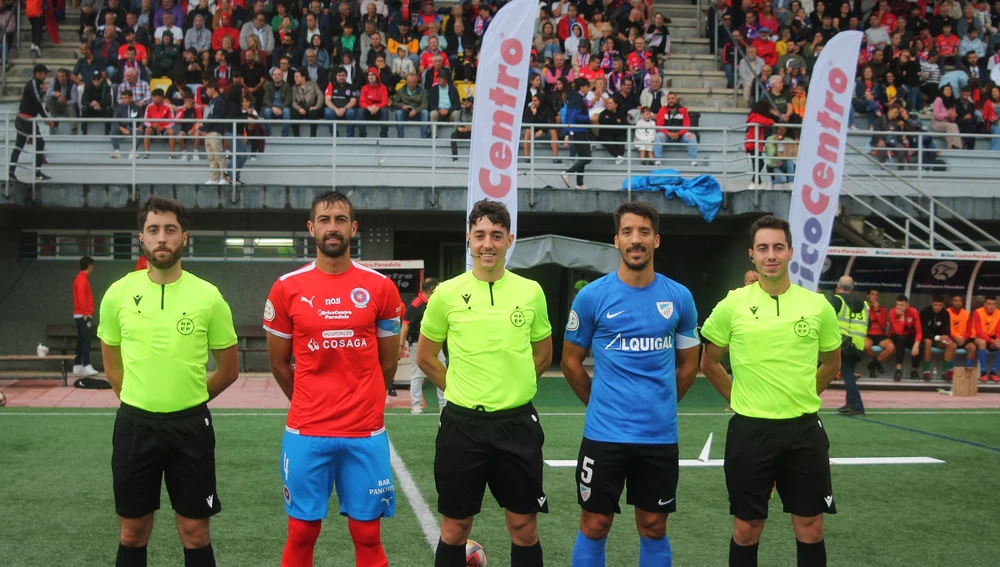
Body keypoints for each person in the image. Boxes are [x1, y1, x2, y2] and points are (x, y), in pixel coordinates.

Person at [97, 196, 239, 567]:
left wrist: (188, 399)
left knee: (196, 533)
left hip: (190, 427)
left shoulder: (208, 296)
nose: (162, 237)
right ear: (141, 238)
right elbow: (111, 365)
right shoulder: (117, 294)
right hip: (134, 426)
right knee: (132, 532)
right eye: (154, 230)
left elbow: (228, 369)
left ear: (184, 238)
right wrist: (139, 397)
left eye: (170, 230)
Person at [263, 190, 402, 567]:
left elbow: (387, 363)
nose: (333, 227)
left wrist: (365, 399)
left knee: (368, 535)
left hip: (364, 431)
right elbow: (278, 363)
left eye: (340, 219)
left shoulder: (380, 288)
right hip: (307, 431)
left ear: (353, 228)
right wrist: (309, 400)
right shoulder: (287, 287)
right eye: (324, 220)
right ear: (311, 229)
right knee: (302, 533)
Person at [561, 201, 699, 566]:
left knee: (653, 526)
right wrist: (600, 404)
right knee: (595, 523)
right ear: (616, 241)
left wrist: (663, 403)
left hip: (659, 437)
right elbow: (570, 363)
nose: (635, 240)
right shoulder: (592, 297)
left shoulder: (680, 297)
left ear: (656, 240)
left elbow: (688, 365)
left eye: (643, 232)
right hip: (604, 435)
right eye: (627, 232)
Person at [416, 199, 552, 567]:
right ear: (468, 240)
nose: (487, 244)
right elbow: (426, 357)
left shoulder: (530, 291)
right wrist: (461, 388)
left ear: (510, 239)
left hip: (517, 425)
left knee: (523, 525)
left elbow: (543, 354)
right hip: (463, 426)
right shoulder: (445, 294)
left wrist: (514, 385)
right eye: (479, 235)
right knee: (455, 528)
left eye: (495, 235)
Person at [699, 215, 841, 567]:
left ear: (791, 251)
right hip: (751, 431)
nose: (771, 255)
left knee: (810, 525)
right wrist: (739, 399)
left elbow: (832, 363)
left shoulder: (817, 306)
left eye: (778, 247)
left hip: (804, 430)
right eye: (763, 248)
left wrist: (804, 394)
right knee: (748, 526)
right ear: (752, 255)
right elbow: (710, 363)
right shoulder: (732, 305)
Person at [400, 277, 446, 414]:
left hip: (435, 342)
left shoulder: (435, 302)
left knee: (442, 372)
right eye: (437, 286)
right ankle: (415, 405)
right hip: (418, 343)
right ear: (432, 289)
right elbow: (405, 325)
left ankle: (444, 405)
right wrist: (401, 345)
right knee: (418, 374)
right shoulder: (416, 304)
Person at [9, 64, 54, 183]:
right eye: (44, 73)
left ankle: (11, 172)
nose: (46, 76)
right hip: (26, 120)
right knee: (40, 143)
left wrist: (45, 118)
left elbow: (37, 103)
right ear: (38, 73)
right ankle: (37, 173)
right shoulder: (34, 83)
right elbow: (37, 102)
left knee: (19, 145)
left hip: (24, 120)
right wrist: (46, 118)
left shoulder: (36, 85)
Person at [830, 276, 867, 416]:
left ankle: (857, 405)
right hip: (858, 344)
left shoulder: (836, 300)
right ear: (852, 288)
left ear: (838, 286)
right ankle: (850, 402)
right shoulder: (864, 304)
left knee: (847, 375)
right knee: (849, 373)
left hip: (843, 343)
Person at [562, 78, 594, 190]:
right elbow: (576, 116)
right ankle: (567, 172)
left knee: (582, 158)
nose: (588, 89)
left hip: (576, 130)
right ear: (581, 87)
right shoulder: (578, 99)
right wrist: (589, 118)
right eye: (587, 87)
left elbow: (569, 116)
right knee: (587, 158)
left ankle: (579, 184)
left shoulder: (573, 98)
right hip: (578, 130)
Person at [72, 256, 99, 377]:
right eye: (92, 265)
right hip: (84, 314)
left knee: (81, 340)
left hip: (80, 314)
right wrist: (85, 314)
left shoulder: (80, 278)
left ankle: (77, 365)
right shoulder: (82, 279)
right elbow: (82, 298)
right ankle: (86, 365)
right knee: (86, 340)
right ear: (89, 265)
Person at [918, 295, 954, 380]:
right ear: (932, 304)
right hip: (926, 337)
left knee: (951, 344)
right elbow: (924, 331)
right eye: (936, 305)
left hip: (939, 339)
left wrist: (946, 335)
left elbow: (947, 328)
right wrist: (937, 337)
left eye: (940, 305)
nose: (937, 307)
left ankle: (945, 372)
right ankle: (926, 372)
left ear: (943, 305)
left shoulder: (945, 313)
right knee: (928, 342)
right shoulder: (924, 312)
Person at [887, 295, 922, 381]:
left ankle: (914, 370)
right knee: (901, 339)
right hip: (895, 336)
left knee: (920, 346)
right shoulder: (892, 312)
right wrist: (902, 316)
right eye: (897, 304)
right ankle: (898, 369)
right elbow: (899, 332)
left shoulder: (913, 312)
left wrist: (916, 345)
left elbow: (919, 332)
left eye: (902, 305)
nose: (899, 307)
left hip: (909, 336)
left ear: (907, 305)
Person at [943, 294, 977, 379]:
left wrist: (964, 338)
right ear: (951, 302)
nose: (958, 303)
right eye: (955, 301)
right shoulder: (946, 313)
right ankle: (951, 371)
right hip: (951, 338)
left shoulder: (966, 314)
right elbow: (945, 329)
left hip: (963, 339)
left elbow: (969, 330)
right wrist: (955, 338)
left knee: (973, 347)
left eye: (959, 301)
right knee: (952, 346)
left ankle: (966, 371)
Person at [863, 288, 895, 378]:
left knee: (891, 347)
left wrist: (877, 310)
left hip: (880, 334)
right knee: (865, 346)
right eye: (873, 294)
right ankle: (876, 362)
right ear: (868, 296)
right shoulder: (864, 308)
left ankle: (873, 364)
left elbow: (883, 326)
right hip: (868, 333)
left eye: (877, 295)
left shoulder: (882, 309)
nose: (875, 297)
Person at [972, 295, 1000, 382]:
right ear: (984, 304)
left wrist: (998, 340)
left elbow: (998, 331)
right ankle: (983, 372)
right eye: (989, 304)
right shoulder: (978, 312)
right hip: (977, 337)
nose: (991, 306)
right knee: (982, 342)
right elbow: (979, 332)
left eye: (993, 304)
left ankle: (993, 372)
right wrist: (992, 341)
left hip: (991, 338)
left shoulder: (999, 313)